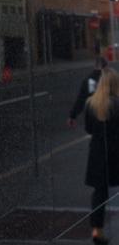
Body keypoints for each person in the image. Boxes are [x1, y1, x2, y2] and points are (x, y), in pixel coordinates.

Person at [84, 68, 119, 244]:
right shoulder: (117, 103)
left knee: (100, 192)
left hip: (97, 154)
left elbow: (88, 129)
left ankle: (96, 230)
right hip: (115, 152)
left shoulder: (91, 103)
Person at [68, 57, 107, 127]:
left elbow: (81, 100)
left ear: (95, 65)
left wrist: (73, 116)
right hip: (109, 114)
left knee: (96, 134)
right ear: (106, 67)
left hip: (93, 115)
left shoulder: (88, 80)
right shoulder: (110, 79)